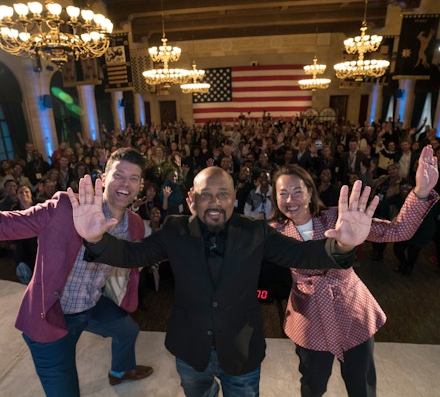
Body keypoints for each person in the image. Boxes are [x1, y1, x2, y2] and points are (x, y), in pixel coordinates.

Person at [68, 165, 378, 397]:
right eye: (206, 194)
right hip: (190, 352)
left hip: (241, 352)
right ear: (194, 198)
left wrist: (342, 246)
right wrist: (96, 239)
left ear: (234, 200)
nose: (214, 201)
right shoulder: (175, 230)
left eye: (223, 194)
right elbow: (131, 255)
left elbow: (301, 255)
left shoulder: (256, 232)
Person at [0, 134, 153, 397]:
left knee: (128, 330)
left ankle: (121, 370)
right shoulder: (66, 207)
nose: (126, 183)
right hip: (51, 315)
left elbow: (137, 262)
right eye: (119, 175)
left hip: (91, 306)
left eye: (134, 178)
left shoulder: (133, 224)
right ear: (104, 177)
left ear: (140, 185)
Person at [269, 145, 439, 396]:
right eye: (283, 193)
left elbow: (398, 230)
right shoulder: (274, 231)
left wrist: (421, 192)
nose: (290, 200)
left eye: (297, 191)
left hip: (352, 312)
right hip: (308, 318)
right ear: (275, 198)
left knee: (361, 386)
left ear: (309, 193)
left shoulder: (338, 218)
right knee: (312, 385)